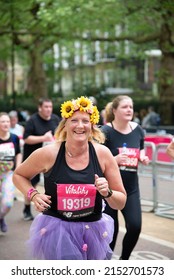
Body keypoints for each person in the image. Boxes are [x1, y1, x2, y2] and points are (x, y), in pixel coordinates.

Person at [12, 96, 127, 260]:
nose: (80, 126)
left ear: (92, 125)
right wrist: (33, 194)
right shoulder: (48, 154)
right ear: (65, 124)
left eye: (85, 121)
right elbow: (19, 175)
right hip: (58, 232)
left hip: (92, 231)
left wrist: (107, 192)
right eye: (74, 120)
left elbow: (121, 201)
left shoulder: (103, 154)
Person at [101, 95, 149, 260]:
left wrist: (142, 157)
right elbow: (97, 161)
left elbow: (140, 149)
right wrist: (114, 160)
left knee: (135, 226)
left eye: (131, 107)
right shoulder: (105, 131)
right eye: (125, 107)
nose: (129, 110)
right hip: (109, 189)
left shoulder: (138, 130)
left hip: (131, 189)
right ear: (114, 111)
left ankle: (124, 261)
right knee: (110, 232)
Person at [22, 97, 61, 221]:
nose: (49, 109)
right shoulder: (32, 120)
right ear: (40, 108)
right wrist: (43, 138)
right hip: (34, 158)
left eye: (50, 107)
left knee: (51, 184)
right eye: (46, 107)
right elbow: (26, 138)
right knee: (32, 184)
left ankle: (51, 209)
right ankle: (27, 209)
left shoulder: (55, 119)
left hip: (51, 159)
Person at [0, 112, 22, 232]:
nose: (6, 124)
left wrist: (18, 167)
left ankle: (1, 217)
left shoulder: (14, 138)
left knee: (8, 203)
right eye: (3, 121)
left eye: (7, 121)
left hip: (8, 174)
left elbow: (18, 152)